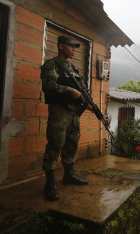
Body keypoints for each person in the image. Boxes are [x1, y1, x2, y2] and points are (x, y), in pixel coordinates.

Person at [40, 35, 91, 201]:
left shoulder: (74, 70)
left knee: (72, 143)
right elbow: (48, 86)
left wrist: (87, 101)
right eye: (71, 46)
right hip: (59, 112)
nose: (74, 50)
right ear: (61, 46)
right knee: (55, 144)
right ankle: (50, 183)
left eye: (75, 47)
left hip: (73, 113)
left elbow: (82, 89)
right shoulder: (51, 65)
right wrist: (70, 92)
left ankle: (69, 175)